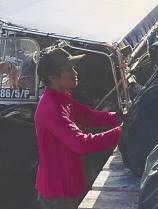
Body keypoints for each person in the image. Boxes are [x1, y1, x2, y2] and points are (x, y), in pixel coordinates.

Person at [35, 47, 122, 209]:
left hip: (68, 182)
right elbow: (81, 144)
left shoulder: (62, 97)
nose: (75, 72)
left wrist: (119, 117)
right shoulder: (51, 108)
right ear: (53, 77)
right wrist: (121, 132)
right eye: (69, 69)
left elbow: (88, 116)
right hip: (58, 192)